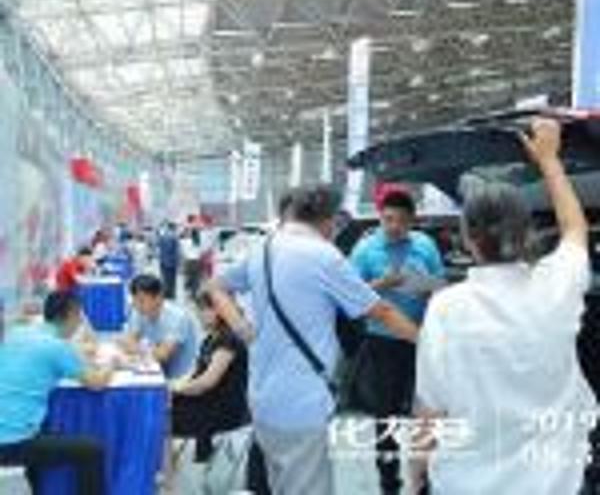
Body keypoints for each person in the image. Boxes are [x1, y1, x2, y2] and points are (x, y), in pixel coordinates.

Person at [411, 118, 595, 495]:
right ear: (526, 231)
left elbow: (431, 409)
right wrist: (549, 160)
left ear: (467, 238)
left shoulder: (447, 308)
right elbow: (575, 229)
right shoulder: (557, 286)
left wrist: (415, 475)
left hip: (465, 484)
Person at [208, 185, 419, 495]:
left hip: (261, 397)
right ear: (328, 219)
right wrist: (427, 341)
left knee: (278, 483)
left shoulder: (262, 248)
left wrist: (241, 327)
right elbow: (382, 311)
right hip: (301, 402)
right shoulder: (323, 256)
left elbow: (215, 286)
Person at [350, 187, 445, 495]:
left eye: (401, 221)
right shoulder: (365, 249)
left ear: (412, 221)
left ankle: (423, 480)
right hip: (383, 342)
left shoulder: (425, 244)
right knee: (385, 414)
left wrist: (426, 288)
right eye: (388, 219)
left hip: (422, 339)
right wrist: (383, 283)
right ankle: (388, 482)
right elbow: (349, 295)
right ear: (380, 217)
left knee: (426, 410)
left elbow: (440, 285)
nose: (393, 226)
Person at [0, 291, 113, 495]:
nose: (80, 323)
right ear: (71, 315)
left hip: (9, 432)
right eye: (79, 317)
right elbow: (97, 383)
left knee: (50, 431)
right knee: (93, 450)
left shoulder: (18, 332)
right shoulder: (56, 347)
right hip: (12, 442)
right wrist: (112, 365)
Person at [170, 291, 248, 462]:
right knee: (165, 404)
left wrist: (177, 389)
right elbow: (195, 374)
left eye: (203, 309)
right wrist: (174, 385)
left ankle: (167, 469)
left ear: (219, 310)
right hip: (209, 400)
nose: (198, 314)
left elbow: (207, 382)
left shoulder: (229, 340)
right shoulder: (211, 338)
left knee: (162, 415)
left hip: (223, 408)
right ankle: (177, 460)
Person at [122, 273, 198, 379]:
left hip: (180, 379)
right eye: (134, 300)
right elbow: (128, 342)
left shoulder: (177, 318)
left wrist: (138, 349)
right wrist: (146, 350)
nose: (137, 305)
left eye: (141, 301)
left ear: (158, 298)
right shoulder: (139, 311)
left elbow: (163, 354)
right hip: (155, 370)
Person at [158, 222, 180, 300]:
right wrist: (178, 262)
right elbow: (177, 251)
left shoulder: (163, 236)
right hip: (172, 262)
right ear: (174, 228)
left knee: (165, 277)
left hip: (163, 261)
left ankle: (166, 292)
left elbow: (159, 248)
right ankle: (171, 294)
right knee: (172, 279)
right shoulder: (174, 237)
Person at [181, 228, 202, 299]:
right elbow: (201, 252)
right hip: (196, 261)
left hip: (188, 261)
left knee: (188, 277)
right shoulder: (199, 242)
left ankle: (188, 292)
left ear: (191, 234)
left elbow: (183, 251)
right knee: (195, 278)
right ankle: (194, 293)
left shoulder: (187, 241)